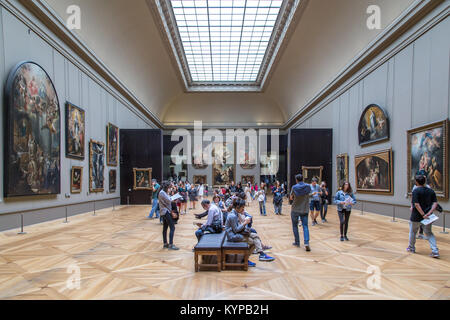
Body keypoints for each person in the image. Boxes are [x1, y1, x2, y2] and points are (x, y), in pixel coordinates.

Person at [225, 199, 275, 267]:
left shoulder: (236, 213)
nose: (243, 209)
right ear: (237, 207)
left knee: (255, 236)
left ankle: (261, 254)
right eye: (242, 207)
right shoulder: (232, 216)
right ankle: (248, 259)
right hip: (233, 236)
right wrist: (245, 223)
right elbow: (236, 230)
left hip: (237, 233)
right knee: (253, 242)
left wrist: (245, 223)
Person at [407, 174, 440, 258]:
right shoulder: (431, 191)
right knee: (429, 233)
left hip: (416, 216)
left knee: (413, 232)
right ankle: (435, 251)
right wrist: (429, 213)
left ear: (416, 182)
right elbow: (435, 203)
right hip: (428, 216)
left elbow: (417, 205)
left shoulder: (416, 191)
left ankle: (411, 248)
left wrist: (423, 214)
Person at [290, 174, 312, 251]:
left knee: (295, 226)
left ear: (296, 180)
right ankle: (306, 242)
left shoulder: (294, 187)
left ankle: (297, 242)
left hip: (295, 209)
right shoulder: (308, 186)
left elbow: (291, 197)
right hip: (304, 209)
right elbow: (310, 194)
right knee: (305, 226)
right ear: (303, 179)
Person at [159, 181, 179, 250]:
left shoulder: (163, 192)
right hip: (166, 212)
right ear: (166, 187)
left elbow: (168, 200)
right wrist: (174, 198)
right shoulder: (162, 192)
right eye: (169, 187)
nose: (170, 189)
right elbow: (169, 200)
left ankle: (165, 243)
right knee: (172, 227)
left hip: (165, 211)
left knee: (165, 228)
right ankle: (171, 245)